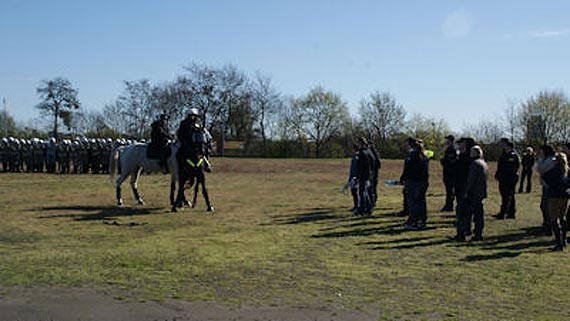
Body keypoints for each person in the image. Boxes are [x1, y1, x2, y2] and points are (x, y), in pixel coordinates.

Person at [537, 145, 568, 251]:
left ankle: (558, 243)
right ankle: (564, 240)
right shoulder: (566, 171)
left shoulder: (552, 172)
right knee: (562, 218)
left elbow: (544, 178)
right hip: (565, 196)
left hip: (554, 196)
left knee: (554, 219)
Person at [402, 137, 429, 230]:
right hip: (423, 182)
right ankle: (422, 220)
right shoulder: (425, 156)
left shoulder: (412, 156)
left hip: (413, 182)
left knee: (413, 202)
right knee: (421, 202)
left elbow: (408, 169)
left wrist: (404, 178)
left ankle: (414, 221)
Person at [461, 145, 488, 241]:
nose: (470, 153)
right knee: (479, 214)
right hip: (481, 192)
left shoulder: (474, 164)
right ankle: (478, 233)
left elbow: (471, 180)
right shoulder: (483, 163)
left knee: (468, 213)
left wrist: (467, 191)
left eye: (472, 152)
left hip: (474, 193)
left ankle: (468, 232)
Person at [453, 137, 475, 241]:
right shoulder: (462, 156)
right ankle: (467, 229)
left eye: (461, 144)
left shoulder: (467, 158)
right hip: (460, 185)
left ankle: (461, 233)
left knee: (462, 210)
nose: (459, 146)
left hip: (465, 186)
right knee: (465, 210)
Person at [495, 140, 520, 219]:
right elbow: (500, 166)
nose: (503, 146)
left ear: (509, 146)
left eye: (504, 145)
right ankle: (511, 212)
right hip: (503, 178)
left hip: (510, 178)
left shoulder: (513, 155)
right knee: (509, 195)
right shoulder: (504, 154)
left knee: (507, 195)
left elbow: (514, 168)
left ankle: (503, 212)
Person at [356, 137, 374, 215]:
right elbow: (373, 162)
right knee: (367, 192)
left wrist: (358, 175)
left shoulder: (362, 153)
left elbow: (360, 166)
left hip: (363, 175)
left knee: (363, 192)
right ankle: (369, 208)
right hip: (369, 175)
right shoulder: (369, 151)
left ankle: (363, 209)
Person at [440, 135, 458, 212]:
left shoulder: (452, 149)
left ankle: (449, 205)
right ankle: (448, 205)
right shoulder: (450, 149)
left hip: (450, 173)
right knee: (449, 190)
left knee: (450, 190)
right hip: (448, 172)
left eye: (447, 140)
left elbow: (451, 162)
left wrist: (443, 161)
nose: (446, 141)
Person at [368, 141, 381, 206]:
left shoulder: (372, 153)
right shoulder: (375, 153)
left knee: (372, 187)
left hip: (373, 173)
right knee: (373, 187)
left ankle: (372, 201)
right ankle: (373, 201)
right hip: (375, 173)